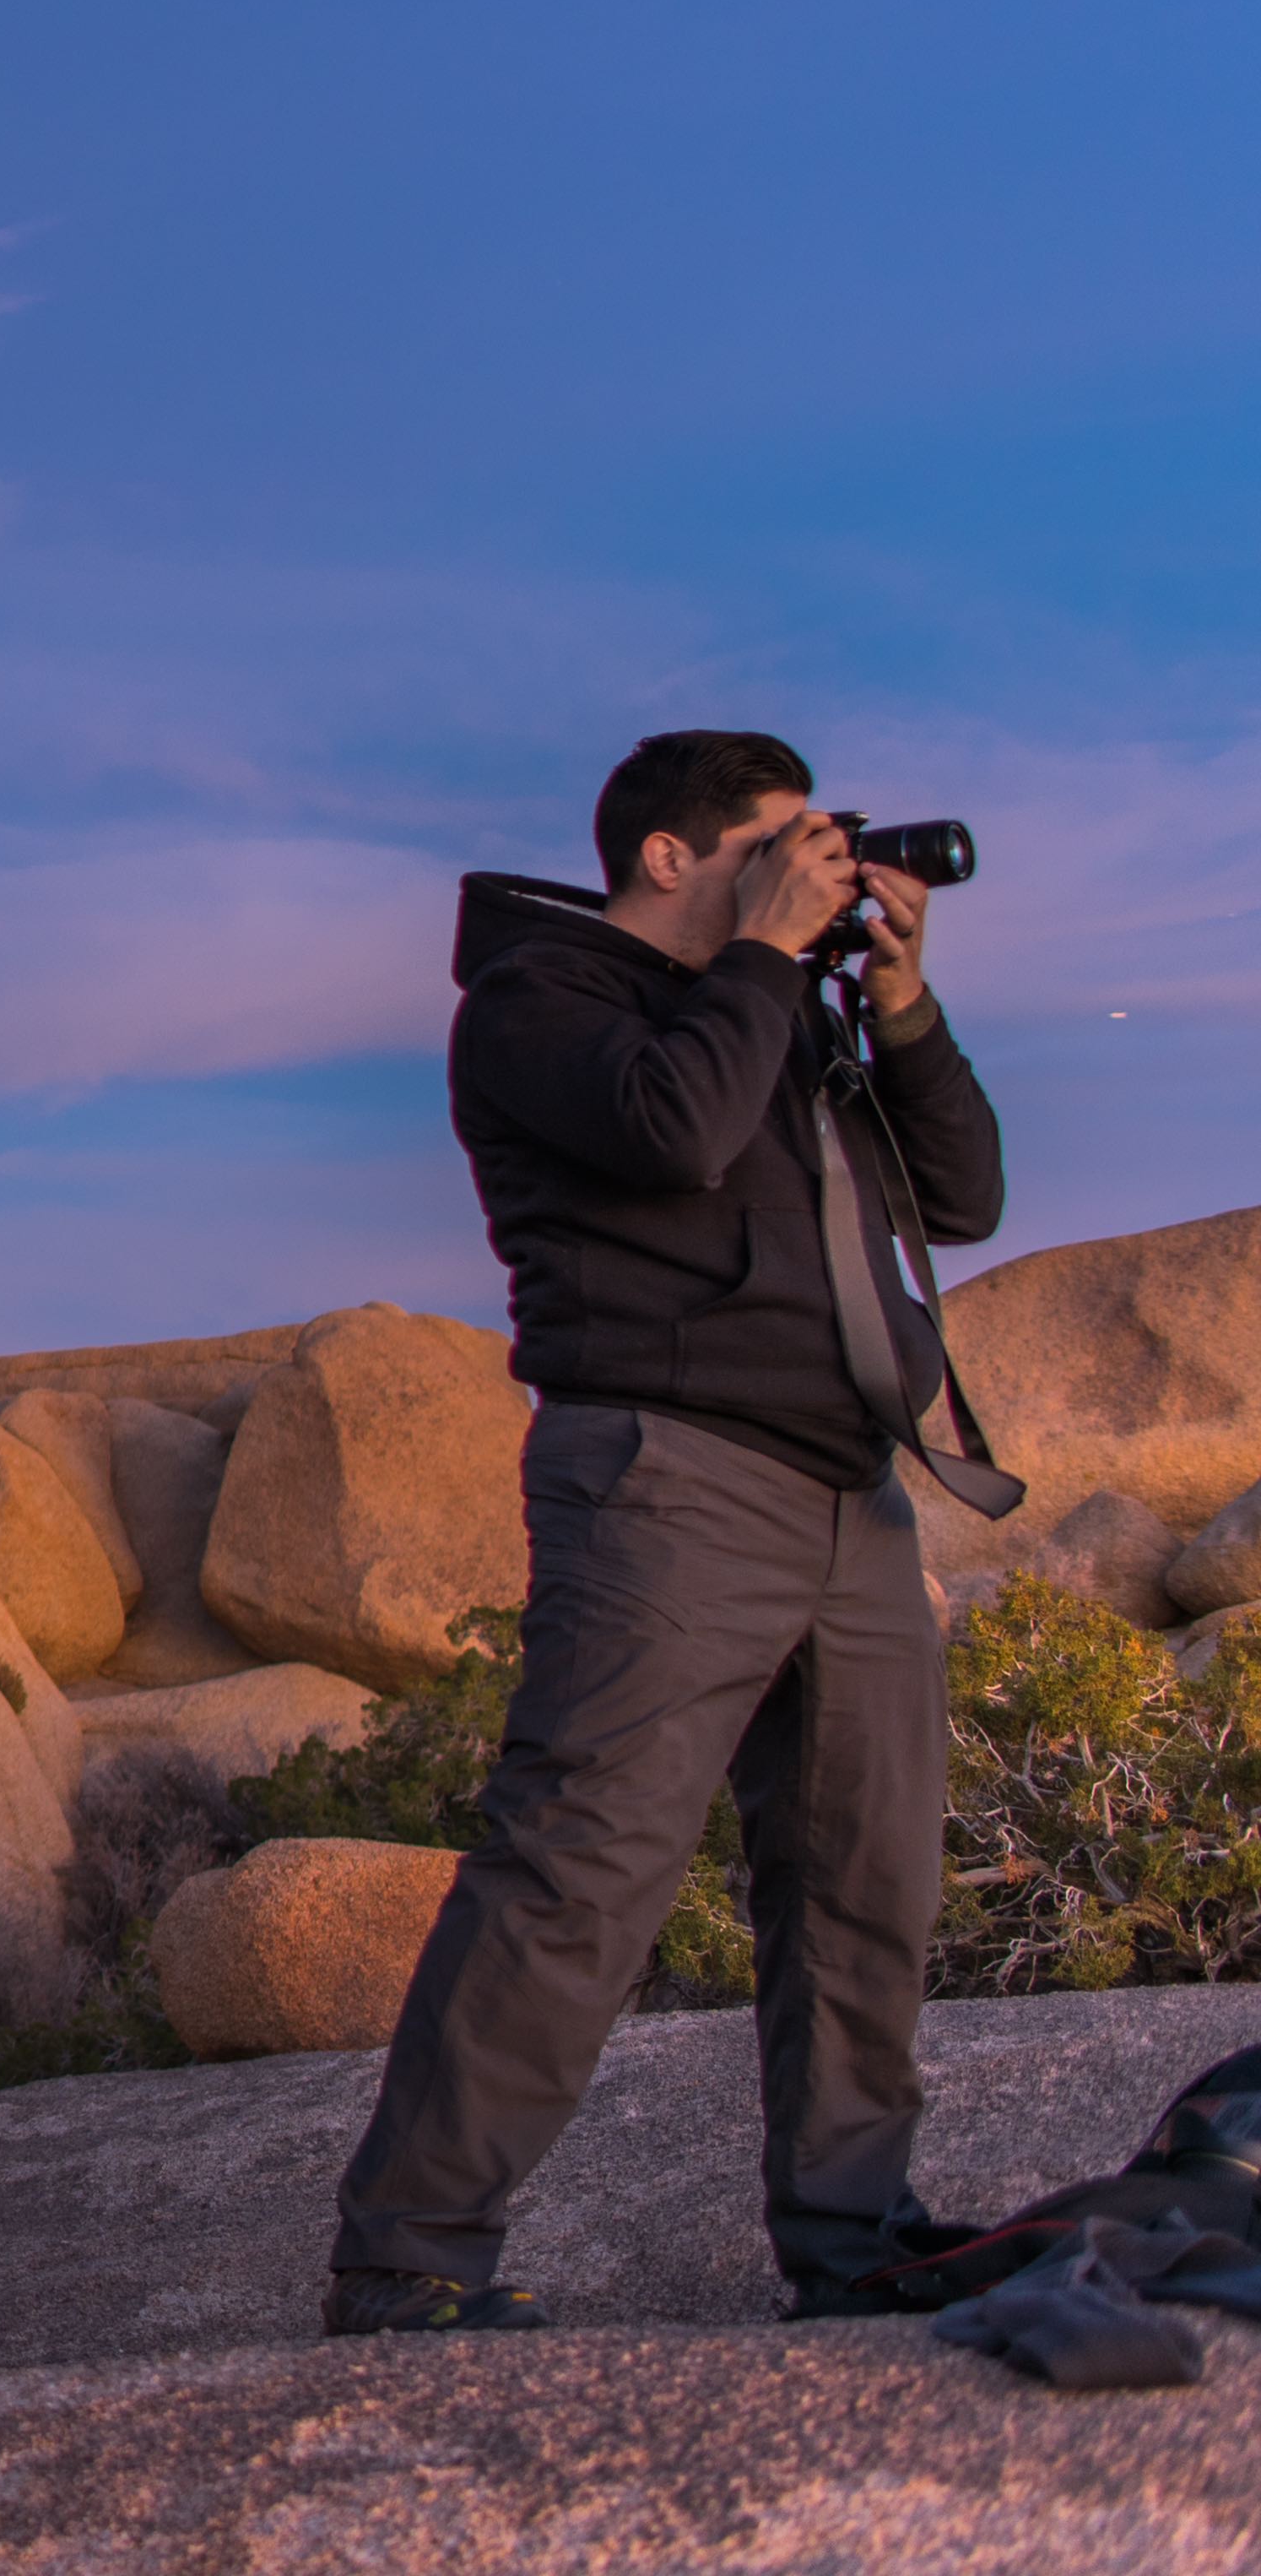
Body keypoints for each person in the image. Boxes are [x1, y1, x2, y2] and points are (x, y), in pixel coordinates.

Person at [321, 729, 1008, 2336]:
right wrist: (768, 956)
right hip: (670, 1477)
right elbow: (671, 1134)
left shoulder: (783, 1012)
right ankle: (414, 2252)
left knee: (866, 1875)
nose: (809, 869)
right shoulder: (540, 1005)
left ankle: (855, 2238)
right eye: (778, 842)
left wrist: (894, 1000)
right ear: (673, 856)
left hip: (851, 1489)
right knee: (583, 1866)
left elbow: (961, 1197)